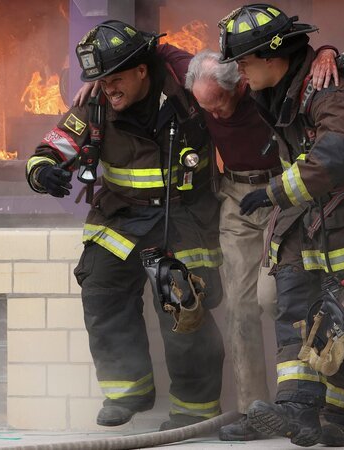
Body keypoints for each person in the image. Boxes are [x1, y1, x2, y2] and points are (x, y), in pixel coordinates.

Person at [72, 45, 339, 441]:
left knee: (278, 297)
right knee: (240, 305)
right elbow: (150, 48)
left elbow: (293, 57)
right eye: (206, 109)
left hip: (284, 191)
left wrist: (327, 52)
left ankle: (304, 401)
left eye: (220, 106)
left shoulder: (263, 85)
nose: (214, 117)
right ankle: (254, 409)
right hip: (235, 195)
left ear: (242, 83)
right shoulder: (192, 73)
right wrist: (107, 79)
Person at [25, 20, 225, 430]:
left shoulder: (188, 94)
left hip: (183, 217)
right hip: (121, 218)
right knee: (101, 290)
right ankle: (127, 390)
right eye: (100, 80)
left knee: (183, 303)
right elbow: (51, 147)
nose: (107, 88)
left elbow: (240, 103)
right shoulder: (95, 102)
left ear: (142, 71)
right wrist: (45, 172)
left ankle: (195, 409)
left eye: (115, 79)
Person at [217, 4, 344, 448]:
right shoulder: (282, 91)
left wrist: (276, 192)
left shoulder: (328, 93)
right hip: (310, 223)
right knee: (293, 310)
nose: (240, 71)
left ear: (273, 57)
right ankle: (298, 411)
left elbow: (335, 156)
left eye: (244, 61)